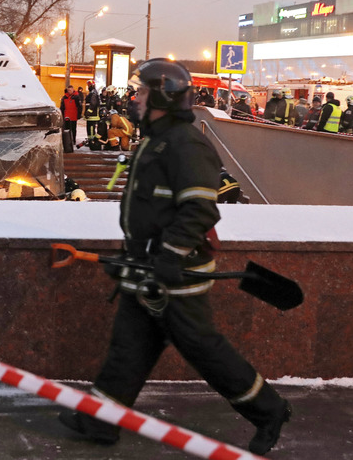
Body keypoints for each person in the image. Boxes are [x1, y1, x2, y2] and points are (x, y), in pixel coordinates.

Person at [57, 59, 290, 455]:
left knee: (203, 349)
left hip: (177, 272)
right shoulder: (155, 138)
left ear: (162, 96)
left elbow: (200, 210)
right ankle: (100, 421)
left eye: (143, 92)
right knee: (129, 347)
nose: (136, 99)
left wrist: (168, 255)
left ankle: (269, 410)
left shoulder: (186, 144)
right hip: (147, 267)